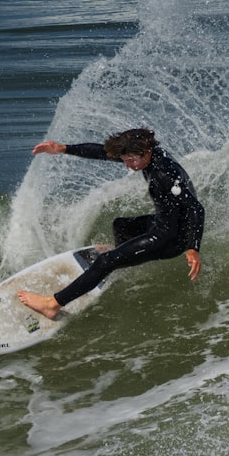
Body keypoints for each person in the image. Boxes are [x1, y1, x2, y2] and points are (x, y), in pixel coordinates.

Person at [17, 128, 205, 320]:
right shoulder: (146, 152)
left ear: (146, 152)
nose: (128, 165)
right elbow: (101, 152)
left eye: (131, 160)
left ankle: (52, 305)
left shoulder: (164, 174)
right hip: (162, 223)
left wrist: (193, 248)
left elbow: (196, 209)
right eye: (125, 160)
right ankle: (121, 259)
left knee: (105, 260)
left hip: (170, 239)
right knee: (121, 225)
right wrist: (62, 148)